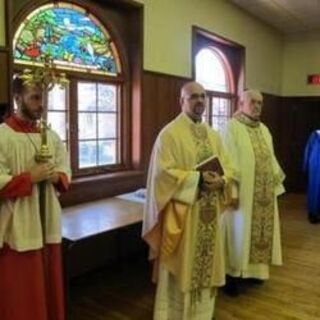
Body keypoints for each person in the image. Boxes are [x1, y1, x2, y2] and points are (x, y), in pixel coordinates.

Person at [142, 81, 234, 320]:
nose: (199, 101)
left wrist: (223, 180)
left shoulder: (213, 135)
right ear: (181, 101)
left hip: (209, 213)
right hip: (184, 216)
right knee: (181, 266)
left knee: (206, 265)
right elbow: (163, 174)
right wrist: (197, 179)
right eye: (193, 96)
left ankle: (201, 314)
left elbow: (229, 167)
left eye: (203, 96)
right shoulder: (169, 134)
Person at [0, 76, 71, 320]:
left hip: (47, 220)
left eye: (44, 98)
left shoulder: (50, 136)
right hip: (19, 226)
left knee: (49, 287)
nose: (41, 104)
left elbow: (65, 170)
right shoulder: (3, 136)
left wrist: (55, 177)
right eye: (35, 98)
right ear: (17, 98)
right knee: (23, 294)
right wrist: (30, 178)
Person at [221, 89, 285, 296]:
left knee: (259, 234)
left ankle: (255, 272)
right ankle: (231, 275)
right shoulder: (231, 128)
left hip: (263, 195)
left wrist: (274, 183)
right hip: (243, 195)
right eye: (253, 102)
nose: (257, 106)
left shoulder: (264, 129)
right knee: (238, 233)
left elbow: (271, 159)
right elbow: (227, 162)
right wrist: (232, 191)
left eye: (260, 103)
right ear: (241, 103)